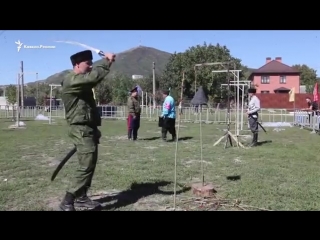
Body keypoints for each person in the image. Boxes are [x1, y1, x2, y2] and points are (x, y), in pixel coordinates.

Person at [59, 50, 116, 211]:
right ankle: (67, 201)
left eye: (92, 63)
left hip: (87, 128)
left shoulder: (81, 82)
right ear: (77, 64)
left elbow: (88, 107)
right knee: (85, 165)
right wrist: (107, 61)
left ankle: (82, 197)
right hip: (80, 129)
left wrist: (94, 127)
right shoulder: (72, 80)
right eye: (88, 63)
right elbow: (93, 78)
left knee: (89, 164)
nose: (91, 66)